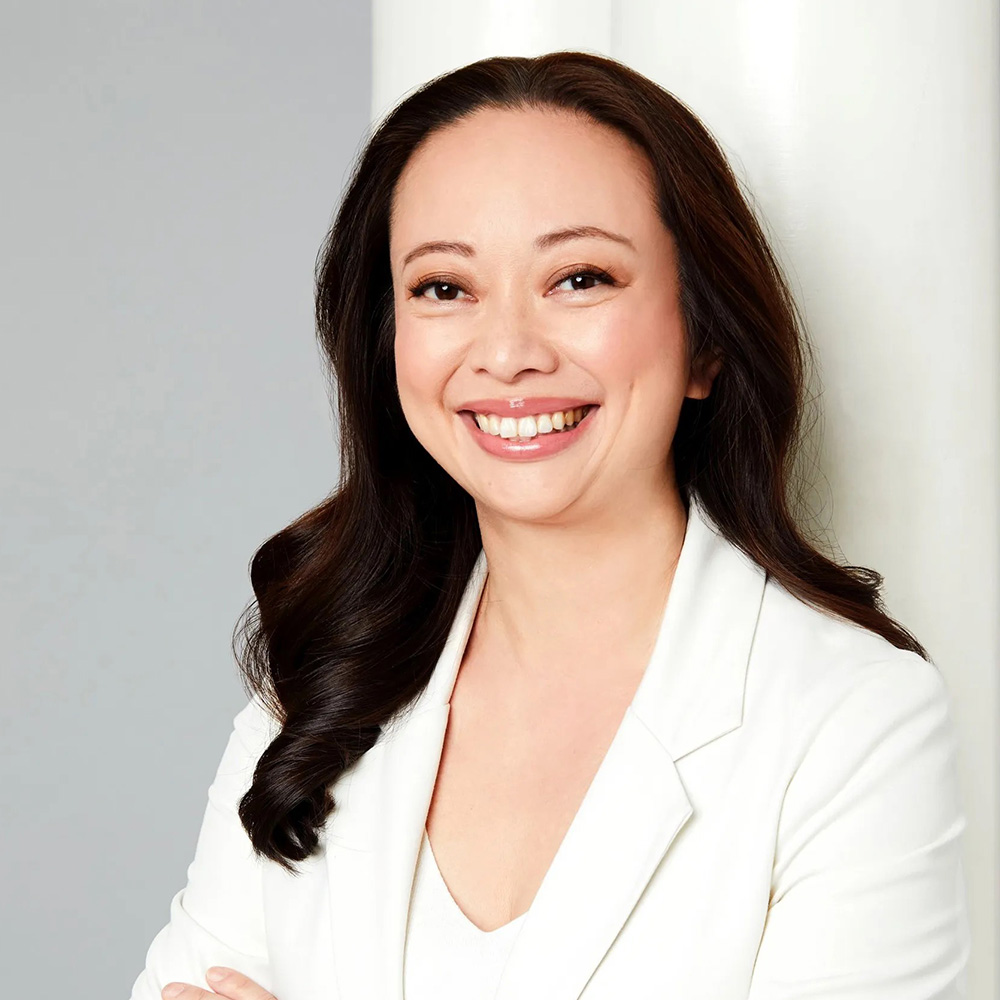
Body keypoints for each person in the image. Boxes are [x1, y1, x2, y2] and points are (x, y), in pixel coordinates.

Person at [131, 51, 970, 1000]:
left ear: (705, 339)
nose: (507, 353)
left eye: (579, 278)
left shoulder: (854, 721)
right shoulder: (323, 679)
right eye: (443, 287)